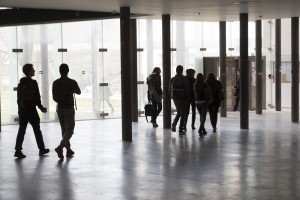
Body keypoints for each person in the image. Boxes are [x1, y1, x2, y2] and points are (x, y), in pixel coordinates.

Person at [14, 63, 49, 158]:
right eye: (32, 69)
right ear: (29, 71)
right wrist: (41, 108)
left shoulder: (20, 84)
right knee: (37, 129)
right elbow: (37, 97)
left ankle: (17, 150)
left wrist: (20, 110)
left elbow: (19, 99)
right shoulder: (33, 83)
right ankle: (42, 149)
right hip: (31, 110)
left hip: (22, 111)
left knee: (22, 130)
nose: (34, 71)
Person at [53, 63, 81, 159]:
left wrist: (61, 100)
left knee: (64, 130)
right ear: (68, 71)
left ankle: (68, 150)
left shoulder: (55, 83)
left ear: (59, 71)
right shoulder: (72, 82)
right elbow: (79, 92)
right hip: (68, 108)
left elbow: (54, 97)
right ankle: (60, 147)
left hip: (60, 108)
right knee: (70, 130)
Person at [170, 65, 190, 135]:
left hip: (175, 98)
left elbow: (169, 90)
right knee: (183, 114)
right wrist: (188, 97)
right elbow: (187, 89)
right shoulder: (184, 79)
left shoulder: (172, 79)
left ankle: (174, 124)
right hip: (183, 98)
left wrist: (172, 97)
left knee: (179, 112)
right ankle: (180, 129)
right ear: (182, 71)